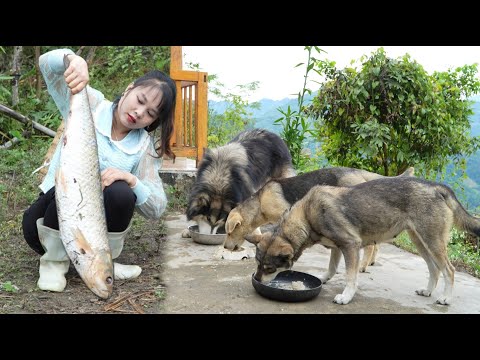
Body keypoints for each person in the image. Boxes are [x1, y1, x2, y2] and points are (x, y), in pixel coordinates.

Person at [22, 48, 176, 292]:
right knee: (72, 185)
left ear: (154, 121)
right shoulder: (90, 103)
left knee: (122, 192)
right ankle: (53, 262)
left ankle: (107, 263)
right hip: (49, 216)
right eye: (140, 100)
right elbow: (45, 65)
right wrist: (73, 60)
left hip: (95, 232)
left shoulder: (143, 147)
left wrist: (132, 179)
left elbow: (157, 207)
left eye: (150, 113)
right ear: (129, 89)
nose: (139, 112)